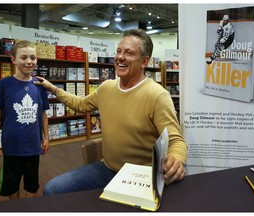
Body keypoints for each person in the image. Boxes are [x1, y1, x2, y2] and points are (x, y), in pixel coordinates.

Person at [34, 29, 188, 196]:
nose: (120, 57)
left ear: (144, 61)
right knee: (52, 189)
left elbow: (176, 141)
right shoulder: (107, 88)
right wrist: (53, 88)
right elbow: (80, 105)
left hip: (142, 176)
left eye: (129, 53)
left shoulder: (157, 95)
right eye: (118, 51)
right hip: (108, 169)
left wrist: (176, 159)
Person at [0, 40, 50, 200]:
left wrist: (47, 137)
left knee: (32, 183)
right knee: (11, 183)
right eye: (23, 57)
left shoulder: (40, 84)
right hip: (11, 145)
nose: (29, 62)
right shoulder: (4, 84)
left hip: (33, 145)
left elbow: (43, 113)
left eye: (33, 57)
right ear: (13, 59)